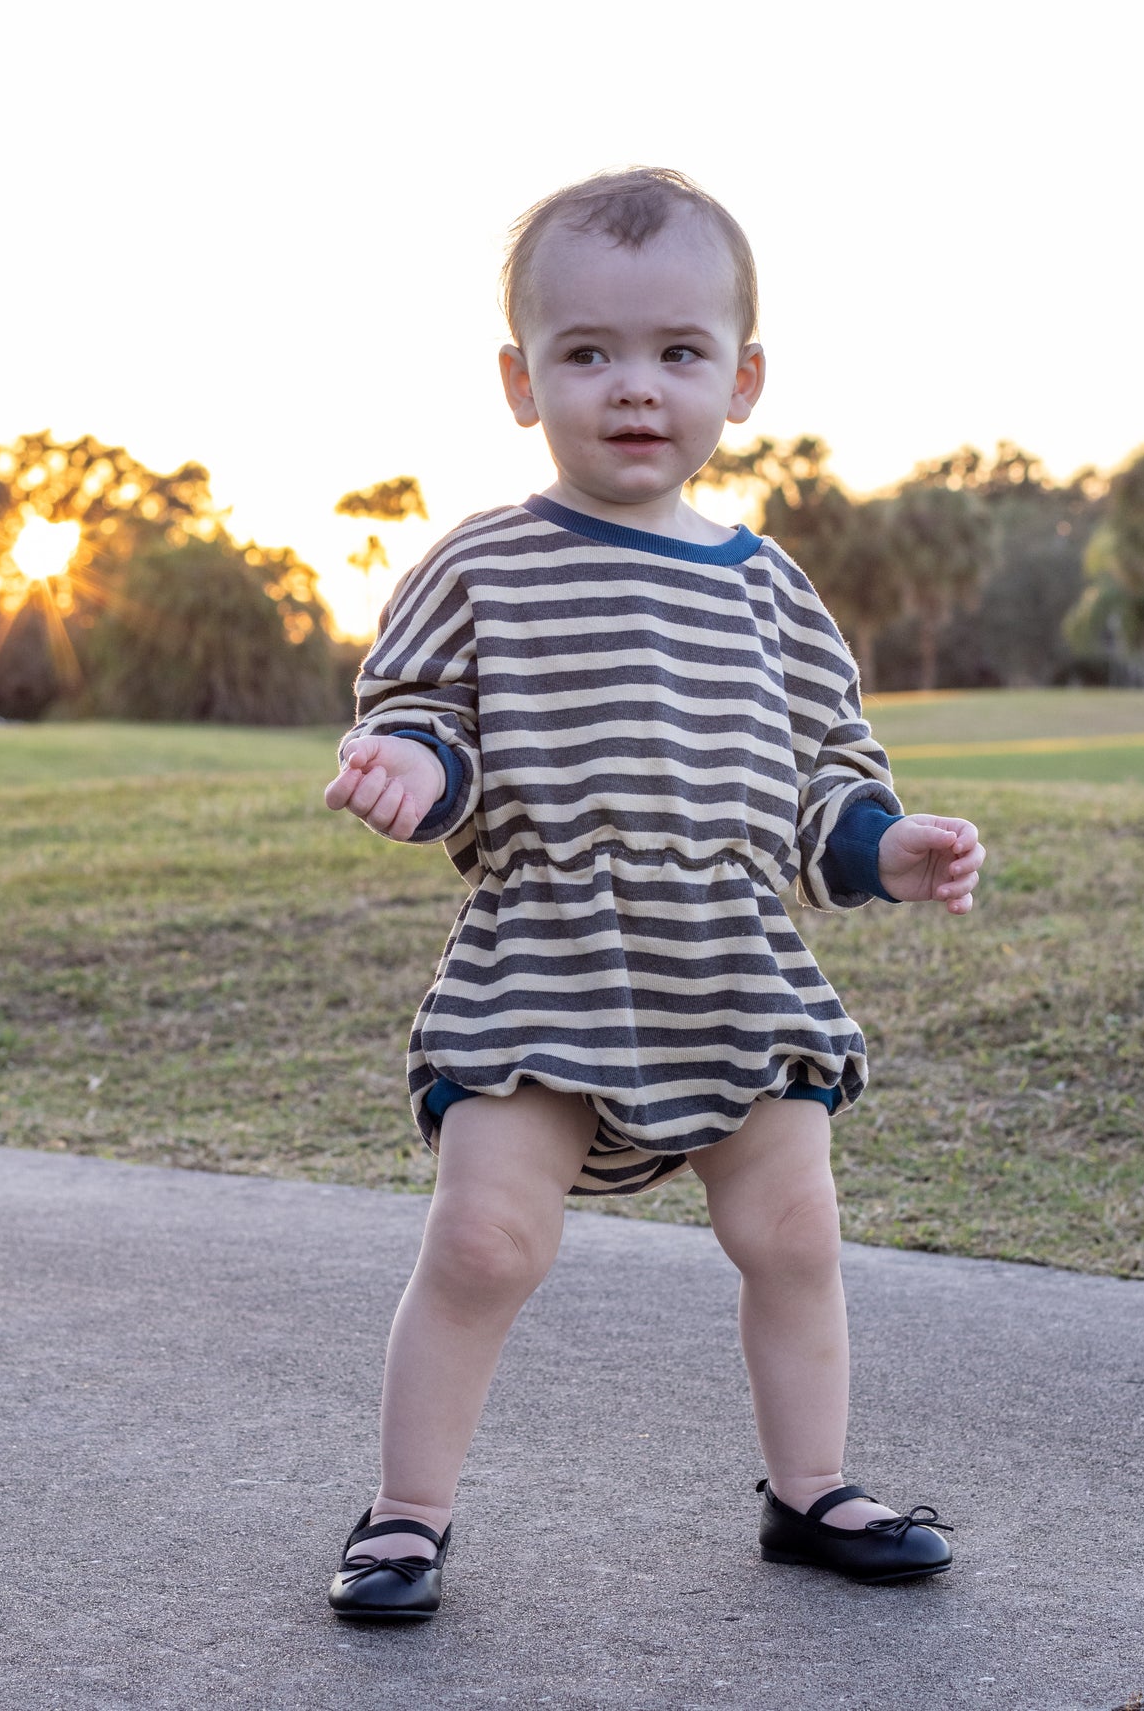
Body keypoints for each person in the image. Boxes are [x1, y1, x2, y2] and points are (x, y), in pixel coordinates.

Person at [323, 167, 984, 1621]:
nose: (635, 387)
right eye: (588, 353)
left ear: (740, 380)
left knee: (792, 1235)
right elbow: (431, 724)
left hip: (734, 971)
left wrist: (888, 847)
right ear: (520, 380)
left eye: (677, 352)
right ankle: (405, 1512)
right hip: (541, 962)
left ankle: (810, 1491)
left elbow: (824, 788)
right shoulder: (481, 566)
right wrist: (405, 774)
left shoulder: (771, 593)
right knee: (485, 1242)